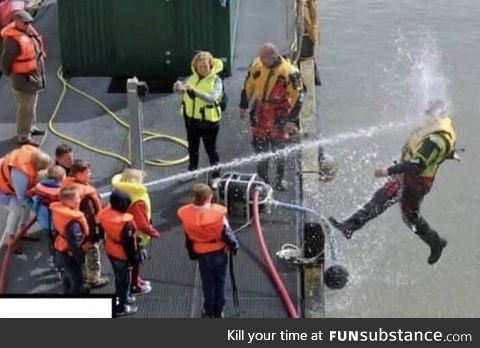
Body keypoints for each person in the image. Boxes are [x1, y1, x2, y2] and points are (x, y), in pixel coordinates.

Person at [329, 100, 457, 265]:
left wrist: (388, 171)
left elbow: (418, 165)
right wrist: (450, 154)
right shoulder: (434, 128)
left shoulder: (435, 139)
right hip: (406, 174)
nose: (424, 115)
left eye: (428, 113)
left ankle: (436, 243)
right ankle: (349, 226)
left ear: (436, 115)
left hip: (416, 182)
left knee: (410, 217)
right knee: (381, 197)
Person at [239, 42, 304, 191]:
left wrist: (291, 120)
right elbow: (248, 84)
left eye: (264, 58)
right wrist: (243, 105)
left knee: (279, 149)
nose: (260, 60)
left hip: (279, 114)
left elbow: (298, 97)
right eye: (260, 57)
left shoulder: (289, 72)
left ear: (274, 56)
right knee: (260, 147)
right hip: (260, 111)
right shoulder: (257, 65)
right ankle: (263, 179)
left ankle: (279, 179)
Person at [177, 184, 239, 318]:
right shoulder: (217, 216)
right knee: (220, 282)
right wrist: (234, 247)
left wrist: (192, 254)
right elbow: (227, 235)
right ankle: (219, 309)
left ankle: (208, 310)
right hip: (219, 253)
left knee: (208, 283)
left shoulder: (187, 217)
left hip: (202, 254)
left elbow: (189, 239)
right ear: (209, 198)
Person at [174, 51, 224, 183]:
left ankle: (216, 175)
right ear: (195, 67)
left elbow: (213, 98)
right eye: (200, 67)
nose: (202, 69)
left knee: (211, 150)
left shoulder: (216, 81)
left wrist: (195, 92)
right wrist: (177, 88)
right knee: (193, 147)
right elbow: (182, 91)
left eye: (205, 66)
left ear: (211, 66)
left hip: (208, 121)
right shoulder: (191, 79)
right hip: (191, 119)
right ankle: (192, 171)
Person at [1, 9, 46, 146]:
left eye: (29, 22)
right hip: (22, 80)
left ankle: (30, 127)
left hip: (33, 78)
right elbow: (5, 62)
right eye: (25, 23)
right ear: (17, 22)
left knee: (32, 105)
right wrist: (12, 75)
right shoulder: (12, 41)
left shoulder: (28, 32)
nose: (28, 25)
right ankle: (23, 136)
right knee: (25, 108)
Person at [112, 168, 160, 295]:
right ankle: (135, 284)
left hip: (123, 232)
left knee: (132, 261)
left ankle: (135, 279)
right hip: (136, 236)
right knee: (135, 260)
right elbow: (141, 222)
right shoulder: (137, 200)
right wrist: (153, 232)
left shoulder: (120, 191)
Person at [62, 159, 109, 288]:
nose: (90, 174)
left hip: (72, 233)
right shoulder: (86, 198)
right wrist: (91, 237)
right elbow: (89, 218)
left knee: (79, 258)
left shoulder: (68, 187)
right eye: (87, 172)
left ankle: (78, 276)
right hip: (86, 234)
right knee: (92, 256)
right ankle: (93, 279)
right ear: (78, 175)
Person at [0, 144, 51, 253]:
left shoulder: (37, 157)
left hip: (12, 182)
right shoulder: (21, 176)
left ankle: (23, 231)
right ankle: (11, 239)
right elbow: (22, 198)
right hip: (2, 187)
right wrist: (37, 209)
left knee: (26, 206)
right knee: (17, 210)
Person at [97, 190, 138, 317]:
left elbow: (101, 230)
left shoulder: (104, 214)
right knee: (123, 281)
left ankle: (124, 298)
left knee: (120, 278)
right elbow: (129, 245)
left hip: (111, 248)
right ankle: (121, 306)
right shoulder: (126, 224)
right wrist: (133, 260)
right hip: (122, 255)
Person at [51, 186, 89, 294]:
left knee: (68, 275)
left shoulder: (60, 213)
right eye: (77, 198)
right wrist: (80, 258)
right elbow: (75, 243)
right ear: (70, 201)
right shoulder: (73, 223)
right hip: (69, 254)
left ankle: (67, 289)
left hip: (61, 250)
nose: (79, 199)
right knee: (77, 280)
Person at [31, 165, 66, 266]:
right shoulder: (62, 191)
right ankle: (62, 264)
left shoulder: (40, 189)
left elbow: (35, 207)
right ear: (61, 178)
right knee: (62, 244)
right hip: (57, 225)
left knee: (52, 244)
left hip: (45, 224)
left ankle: (55, 262)